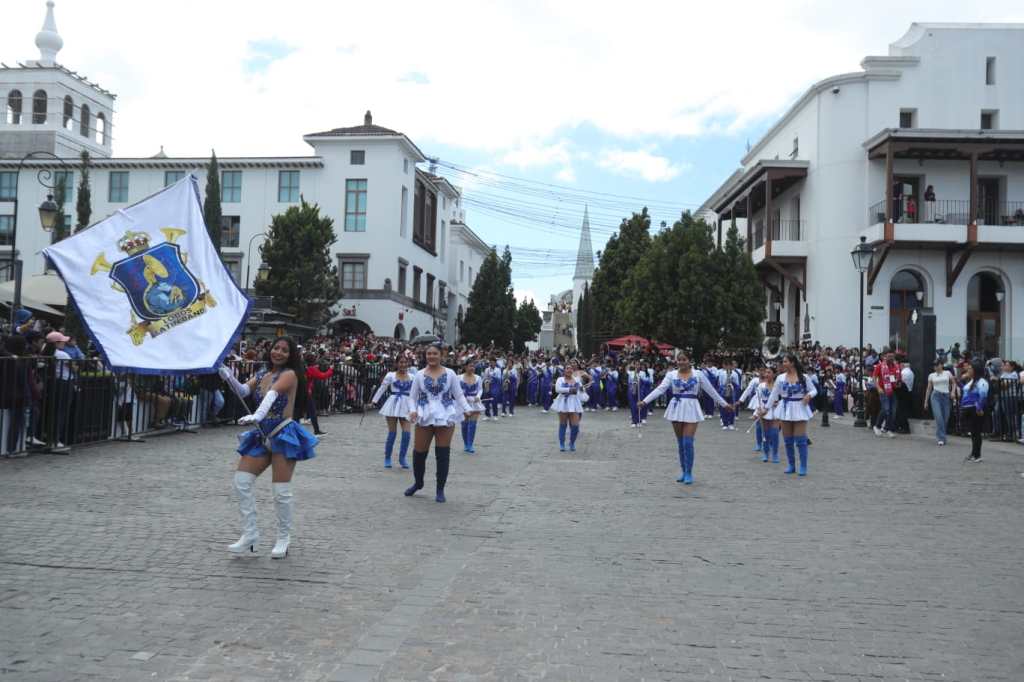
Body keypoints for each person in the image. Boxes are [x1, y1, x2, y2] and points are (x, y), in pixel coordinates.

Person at [219, 337, 317, 559]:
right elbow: (243, 391)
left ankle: (283, 538)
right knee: (242, 482)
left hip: (283, 434)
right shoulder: (263, 372)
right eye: (276, 348)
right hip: (261, 435)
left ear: (290, 354)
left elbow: (273, 394)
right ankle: (250, 534)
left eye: (284, 350)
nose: (279, 352)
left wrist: (258, 415)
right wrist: (225, 373)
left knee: (280, 492)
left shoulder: (289, 374)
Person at [638, 352, 732, 484]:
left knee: (688, 442)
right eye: (679, 360)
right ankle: (683, 471)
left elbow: (711, 390)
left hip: (692, 407)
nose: (681, 362)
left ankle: (689, 472)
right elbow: (660, 389)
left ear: (689, 361)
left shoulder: (698, 374)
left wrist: (724, 404)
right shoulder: (671, 375)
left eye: (684, 359)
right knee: (681, 443)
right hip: (676, 407)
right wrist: (644, 401)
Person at [405, 343, 471, 503]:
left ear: (441, 355)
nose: (432, 356)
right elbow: (412, 397)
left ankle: (440, 489)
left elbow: (459, 394)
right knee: (419, 452)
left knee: (442, 453)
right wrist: (413, 410)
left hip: (445, 413)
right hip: (425, 413)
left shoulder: (450, 374)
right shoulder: (419, 375)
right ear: (425, 356)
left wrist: (467, 408)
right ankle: (418, 482)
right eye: (429, 354)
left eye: (435, 354)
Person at [763, 353, 817, 476]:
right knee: (787, 440)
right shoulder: (780, 378)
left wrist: (809, 395)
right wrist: (766, 408)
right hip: (785, 407)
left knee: (800, 439)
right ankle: (791, 465)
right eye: (783, 361)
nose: (783, 364)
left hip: (800, 407)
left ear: (792, 363)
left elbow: (814, 390)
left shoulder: (803, 377)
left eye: (786, 361)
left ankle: (803, 466)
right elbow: (774, 394)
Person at [369, 356, 415, 469]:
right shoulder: (390, 375)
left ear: (408, 363)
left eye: (405, 362)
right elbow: (382, 388)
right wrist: (373, 401)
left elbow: (416, 393)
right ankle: (387, 457)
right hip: (393, 404)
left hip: (407, 405)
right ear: (397, 363)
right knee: (392, 433)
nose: (403, 364)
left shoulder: (413, 376)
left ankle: (402, 457)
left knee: (406, 434)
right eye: (401, 362)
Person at [739, 367, 780, 463]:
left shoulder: (779, 385)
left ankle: (775, 454)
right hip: (764, 411)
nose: (766, 374)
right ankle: (766, 453)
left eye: (769, 372)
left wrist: (778, 403)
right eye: (766, 372)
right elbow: (758, 400)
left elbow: (784, 398)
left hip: (775, 411)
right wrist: (759, 410)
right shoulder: (761, 386)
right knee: (765, 434)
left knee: (774, 434)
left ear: (774, 374)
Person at [553, 364, 587, 452]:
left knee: (575, 426)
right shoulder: (560, 379)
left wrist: (582, 390)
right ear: (564, 370)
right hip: (563, 403)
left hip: (574, 404)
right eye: (567, 368)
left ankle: (572, 443)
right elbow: (557, 389)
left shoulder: (577, 380)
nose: (569, 370)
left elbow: (581, 391)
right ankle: (562, 444)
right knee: (563, 424)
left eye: (571, 369)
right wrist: (569, 390)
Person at [960, 361, 989, 463]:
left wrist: (979, 408)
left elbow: (983, 396)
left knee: (976, 432)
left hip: (975, 409)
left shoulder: (982, 382)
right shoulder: (971, 381)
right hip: (967, 408)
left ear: (975, 370)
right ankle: (973, 453)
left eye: (970, 369)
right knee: (973, 432)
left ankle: (977, 454)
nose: (968, 370)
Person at [924, 359, 955, 446]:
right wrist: (926, 401)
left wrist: (952, 392)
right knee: (938, 417)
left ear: (941, 365)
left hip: (946, 396)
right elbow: (929, 388)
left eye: (937, 365)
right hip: (936, 396)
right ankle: (941, 438)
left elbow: (953, 383)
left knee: (946, 417)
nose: (936, 367)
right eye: (934, 365)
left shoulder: (947, 373)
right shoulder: (931, 375)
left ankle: (941, 434)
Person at [872, 350, 900, 438]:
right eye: (889, 356)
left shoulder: (896, 366)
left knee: (893, 411)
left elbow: (897, 378)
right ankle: (877, 426)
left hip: (893, 391)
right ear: (884, 356)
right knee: (886, 409)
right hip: (883, 391)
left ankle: (889, 429)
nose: (891, 358)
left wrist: (898, 382)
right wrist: (878, 388)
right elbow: (874, 378)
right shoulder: (880, 366)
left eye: (892, 356)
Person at [459, 359, 484, 454]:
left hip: (474, 403)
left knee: (472, 424)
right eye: (470, 366)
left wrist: (478, 397)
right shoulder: (459, 378)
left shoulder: (478, 378)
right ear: (465, 367)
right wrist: (462, 398)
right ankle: (466, 444)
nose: (472, 368)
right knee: (464, 424)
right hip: (463, 403)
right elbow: (456, 390)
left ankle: (470, 444)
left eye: (473, 366)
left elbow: (480, 389)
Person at [717, 359, 742, 431]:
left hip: (732, 392)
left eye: (730, 365)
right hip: (724, 391)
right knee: (723, 407)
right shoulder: (722, 373)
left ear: (731, 366)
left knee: (732, 407)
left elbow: (737, 385)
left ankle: (731, 423)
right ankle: (725, 423)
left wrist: (732, 385)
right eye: (726, 365)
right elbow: (720, 383)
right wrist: (723, 388)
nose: (728, 367)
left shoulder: (735, 374)